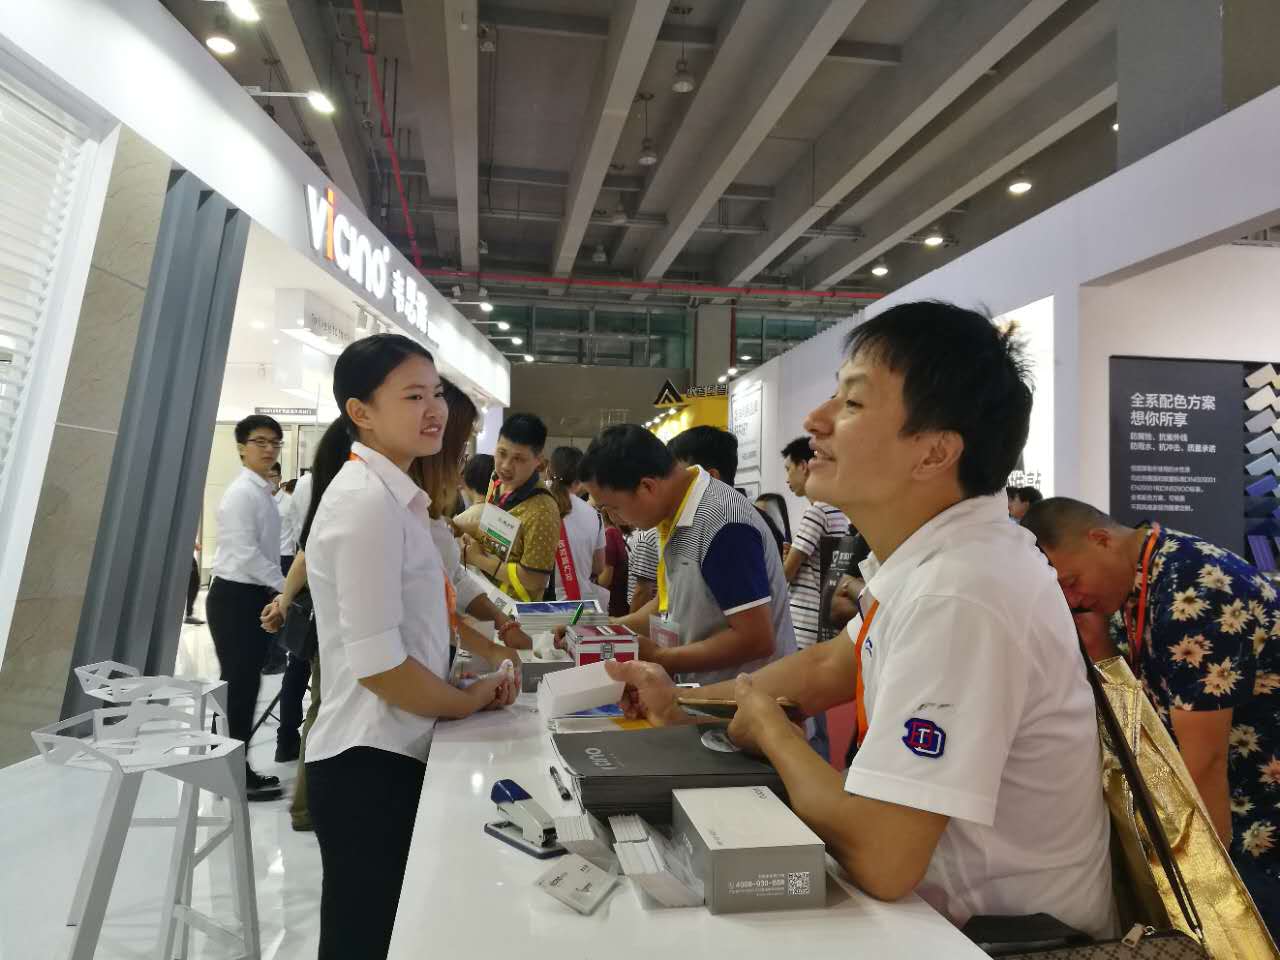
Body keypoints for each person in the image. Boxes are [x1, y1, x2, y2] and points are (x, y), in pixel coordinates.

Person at [605, 302, 1114, 938]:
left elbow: (883, 856)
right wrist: (681, 698)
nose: (814, 422)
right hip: (937, 919)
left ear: (934, 452)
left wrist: (774, 732)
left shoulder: (960, 592)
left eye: (851, 402)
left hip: (989, 937)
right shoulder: (936, 559)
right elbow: (828, 665)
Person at [304, 334, 515, 959]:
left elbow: (418, 630)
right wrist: (468, 700)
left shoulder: (396, 499)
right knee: (363, 939)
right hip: (368, 759)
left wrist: (463, 680)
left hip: (393, 747)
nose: (434, 410)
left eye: (437, 394)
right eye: (412, 396)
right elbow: (380, 667)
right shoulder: (365, 503)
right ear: (360, 412)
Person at [1020, 497, 1280, 936]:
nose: (1072, 599)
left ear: (1101, 539)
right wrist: (1100, 647)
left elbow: (1206, 761)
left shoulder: (1192, 589)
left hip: (1257, 819)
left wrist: (1207, 887)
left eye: (1072, 581)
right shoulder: (1136, 584)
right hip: (1232, 807)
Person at [579, 425, 797, 685]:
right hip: (704, 693)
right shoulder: (676, 513)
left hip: (747, 697)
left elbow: (756, 639)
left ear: (647, 487)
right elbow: (667, 604)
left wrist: (662, 657)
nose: (613, 518)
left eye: (613, 507)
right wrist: (604, 627)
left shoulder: (722, 522)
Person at [206, 414, 286, 801]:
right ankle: (231, 773)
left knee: (243, 684)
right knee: (240, 686)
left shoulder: (261, 491)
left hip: (250, 595)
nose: (269, 449)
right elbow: (246, 554)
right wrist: (286, 587)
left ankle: (226, 765)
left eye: (275, 443)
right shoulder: (242, 494)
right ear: (241, 447)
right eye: (260, 442)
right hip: (235, 598)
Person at [780, 435, 851, 760]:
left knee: (804, 708)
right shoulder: (839, 512)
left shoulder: (816, 512)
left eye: (789, 469)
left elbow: (787, 572)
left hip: (803, 621)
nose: (787, 478)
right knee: (816, 708)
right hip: (823, 618)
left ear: (804, 466)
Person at [460, 414, 560, 604]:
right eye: (502, 453)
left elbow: (535, 580)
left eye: (518, 459)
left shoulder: (543, 511)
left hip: (512, 609)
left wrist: (479, 560)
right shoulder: (496, 479)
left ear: (538, 460)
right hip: (481, 590)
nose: (506, 466)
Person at [547, 446, 607, 605]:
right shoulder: (595, 515)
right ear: (579, 479)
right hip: (579, 604)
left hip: (539, 605)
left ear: (548, 471)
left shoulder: (536, 506)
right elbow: (599, 567)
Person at [597, 506, 631, 618]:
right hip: (620, 603)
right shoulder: (616, 533)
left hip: (612, 606)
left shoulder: (609, 535)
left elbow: (605, 581)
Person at [627, 526, 658, 613]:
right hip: (653, 611)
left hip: (645, 611)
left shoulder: (650, 538)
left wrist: (632, 620)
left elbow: (642, 592)